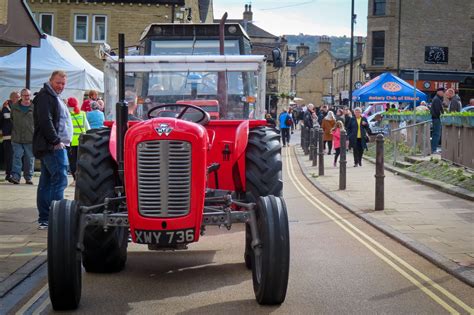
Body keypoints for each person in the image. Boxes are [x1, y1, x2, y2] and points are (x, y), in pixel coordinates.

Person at [33, 70, 73, 230]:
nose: (61, 86)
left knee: (47, 181)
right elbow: (45, 121)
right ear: (50, 81)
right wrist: (56, 140)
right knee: (60, 179)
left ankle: (45, 219)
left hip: (52, 145)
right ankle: (57, 218)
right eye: (58, 82)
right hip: (53, 146)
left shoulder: (52, 96)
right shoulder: (45, 97)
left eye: (63, 83)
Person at [10, 89, 35, 185]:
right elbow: (11, 119)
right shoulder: (14, 107)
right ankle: (16, 177)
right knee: (17, 157)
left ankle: (28, 177)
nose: (26, 97)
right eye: (24, 95)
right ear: (21, 96)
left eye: (28, 95)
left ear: (30, 96)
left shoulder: (34, 107)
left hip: (30, 137)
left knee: (29, 159)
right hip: (17, 137)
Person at [67, 97, 90, 183]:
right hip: (82, 141)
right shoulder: (82, 113)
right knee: (81, 161)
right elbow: (87, 128)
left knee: (72, 162)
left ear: (68, 104)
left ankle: (75, 179)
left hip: (71, 142)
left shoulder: (68, 114)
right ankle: (81, 179)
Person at [0, 91, 19, 182]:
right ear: (12, 98)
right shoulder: (6, 108)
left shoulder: (18, 107)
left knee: (16, 156)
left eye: (19, 97)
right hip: (8, 137)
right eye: (17, 97)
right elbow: (6, 119)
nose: (19, 99)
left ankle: (14, 174)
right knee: (10, 156)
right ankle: (9, 174)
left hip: (18, 136)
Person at [430, 88, 444, 153]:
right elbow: (438, 110)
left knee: (435, 134)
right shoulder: (437, 99)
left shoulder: (436, 98)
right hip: (436, 118)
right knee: (436, 134)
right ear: (439, 92)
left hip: (435, 118)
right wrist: (441, 115)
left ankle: (433, 148)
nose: (443, 93)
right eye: (442, 92)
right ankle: (434, 149)